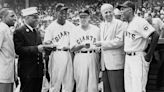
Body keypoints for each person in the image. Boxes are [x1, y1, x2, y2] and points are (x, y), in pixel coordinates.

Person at [118, 1, 159, 92]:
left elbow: (155, 35)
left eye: (123, 9)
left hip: (138, 57)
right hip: (128, 58)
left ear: (130, 10)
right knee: (129, 88)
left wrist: (149, 55)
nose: (121, 12)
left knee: (138, 88)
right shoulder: (127, 23)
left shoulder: (139, 21)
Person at [43, 4, 74, 92]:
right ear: (56, 13)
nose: (64, 14)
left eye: (65, 12)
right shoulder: (51, 27)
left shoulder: (71, 26)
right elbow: (46, 43)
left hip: (68, 53)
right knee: (56, 82)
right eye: (61, 12)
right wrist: (51, 46)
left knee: (69, 82)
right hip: (56, 53)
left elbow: (75, 40)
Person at [94, 3, 125, 92]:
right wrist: (98, 47)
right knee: (107, 89)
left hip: (115, 63)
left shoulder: (119, 24)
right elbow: (101, 42)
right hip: (105, 64)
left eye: (110, 12)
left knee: (117, 89)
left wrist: (102, 44)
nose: (108, 14)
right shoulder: (102, 25)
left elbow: (119, 42)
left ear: (113, 12)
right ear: (102, 14)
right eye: (105, 12)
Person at [13, 7, 45, 92]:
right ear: (26, 18)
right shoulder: (19, 31)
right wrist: (36, 49)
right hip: (27, 71)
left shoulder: (37, 32)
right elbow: (18, 50)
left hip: (38, 71)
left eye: (37, 17)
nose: (37, 19)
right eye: (34, 17)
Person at [70, 9, 100, 92]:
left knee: (93, 86)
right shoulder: (74, 30)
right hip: (80, 56)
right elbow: (72, 48)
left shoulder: (96, 29)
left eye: (85, 17)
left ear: (89, 17)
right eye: (81, 17)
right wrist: (82, 45)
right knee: (81, 85)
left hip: (93, 56)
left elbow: (100, 45)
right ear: (78, 18)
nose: (83, 19)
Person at [144, 13, 164, 89]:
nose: (148, 22)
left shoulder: (157, 20)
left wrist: (161, 37)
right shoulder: (144, 24)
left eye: (149, 20)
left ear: (151, 17)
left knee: (160, 61)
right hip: (150, 45)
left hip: (159, 44)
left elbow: (163, 28)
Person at [0, 8, 17, 92]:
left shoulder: (7, 29)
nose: (15, 18)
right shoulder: (1, 29)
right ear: (3, 17)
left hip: (8, 73)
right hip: (3, 74)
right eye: (12, 16)